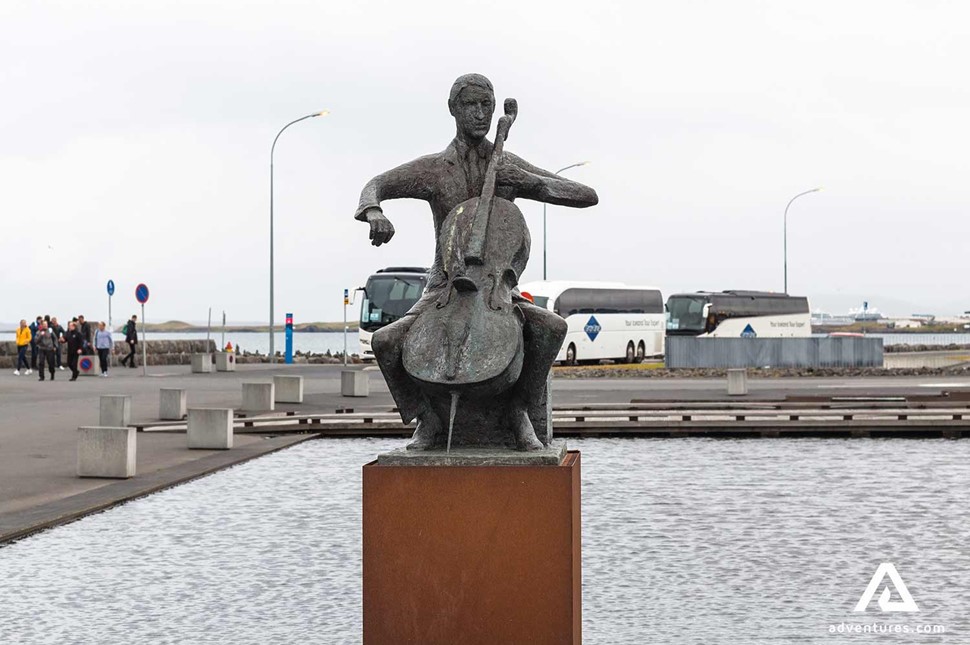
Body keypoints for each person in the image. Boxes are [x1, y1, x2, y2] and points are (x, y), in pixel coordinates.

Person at [353, 73, 598, 450]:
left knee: (552, 328)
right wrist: (373, 211)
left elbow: (586, 195)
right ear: (453, 109)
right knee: (386, 342)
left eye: (487, 105)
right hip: (443, 288)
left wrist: (528, 181)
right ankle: (427, 419)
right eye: (471, 105)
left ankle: (519, 411)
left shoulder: (505, 163)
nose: (480, 114)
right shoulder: (433, 169)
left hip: (496, 289)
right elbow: (377, 184)